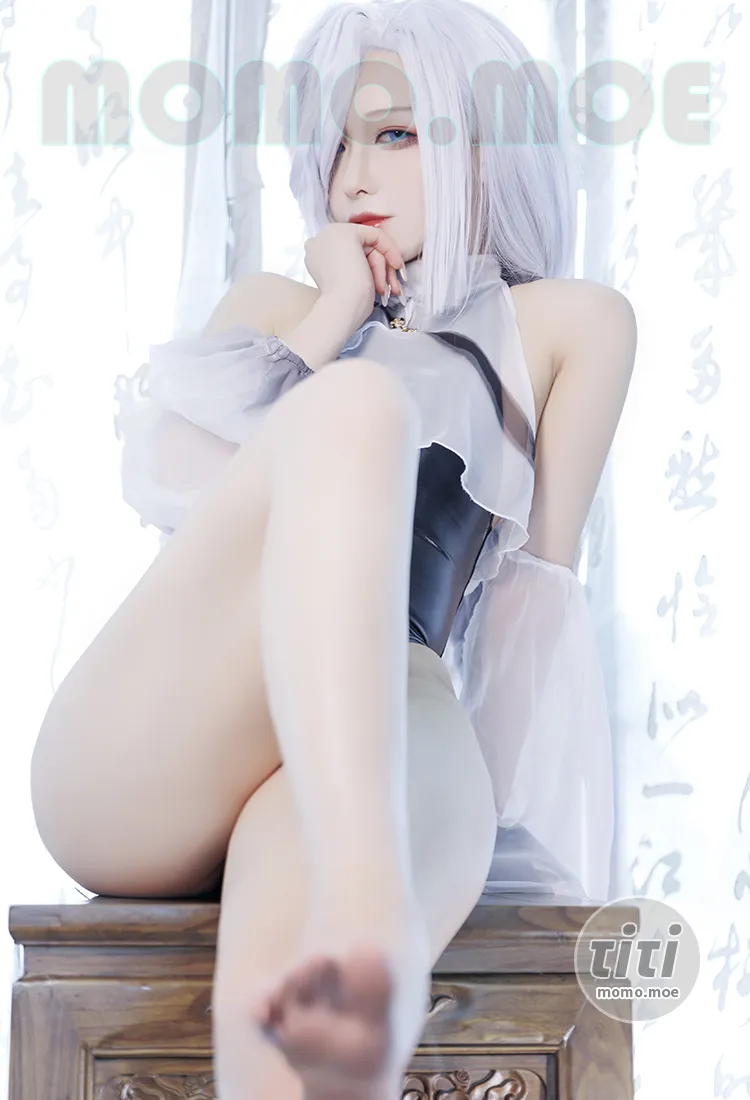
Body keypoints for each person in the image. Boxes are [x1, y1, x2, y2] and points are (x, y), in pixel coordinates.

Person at [29, 1, 638, 1097]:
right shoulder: (273, 307)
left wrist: (524, 854)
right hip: (172, 730)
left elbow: (533, 605)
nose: (352, 176)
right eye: (336, 145)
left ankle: (356, 944)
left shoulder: (567, 324)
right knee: (357, 412)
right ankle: (370, 900)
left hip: (393, 704)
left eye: (394, 134)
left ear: (485, 145)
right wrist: (333, 313)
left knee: (290, 1021)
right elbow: (170, 490)